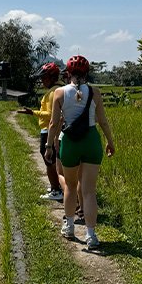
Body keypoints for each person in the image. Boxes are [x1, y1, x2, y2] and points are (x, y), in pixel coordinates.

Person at [46, 55, 115, 249]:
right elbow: (103, 121)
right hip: (91, 141)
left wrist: (49, 146)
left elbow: (53, 124)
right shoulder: (95, 92)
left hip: (71, 142)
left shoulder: (59, 93)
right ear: (87, 73)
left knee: (70, 185)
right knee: (89, 191)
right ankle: (91, 236)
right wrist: (110, 142)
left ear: (67, 73)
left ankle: (69, 227)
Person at [17, 62, 63, 201]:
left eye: (44, 78)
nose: (42, 81)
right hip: (52, 130)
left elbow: (50, 115)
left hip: (48, 130)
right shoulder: (58, 90)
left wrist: (33, 113)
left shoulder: (52, 93)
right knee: (54, 160)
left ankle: (56, 189)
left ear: (51, 77)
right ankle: (56, 186)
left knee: (49, 160)